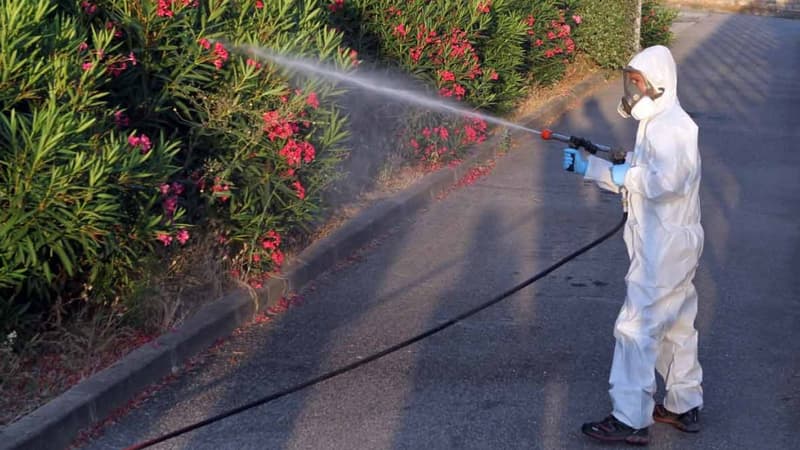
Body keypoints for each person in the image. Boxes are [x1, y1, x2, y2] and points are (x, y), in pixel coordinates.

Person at [562, 45, 704, 446]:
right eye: (631, 82)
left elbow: (662, 182)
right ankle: (682, 404)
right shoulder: (659, 122)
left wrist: (624, 175)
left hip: (663, 248)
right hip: (671, 244)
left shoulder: (674, 128)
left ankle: (630, 418)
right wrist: (594, 168)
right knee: (676, 326)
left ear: (659, 84)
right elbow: (639, 179)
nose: (633, 91)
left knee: (635, 328)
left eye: (638, 83)